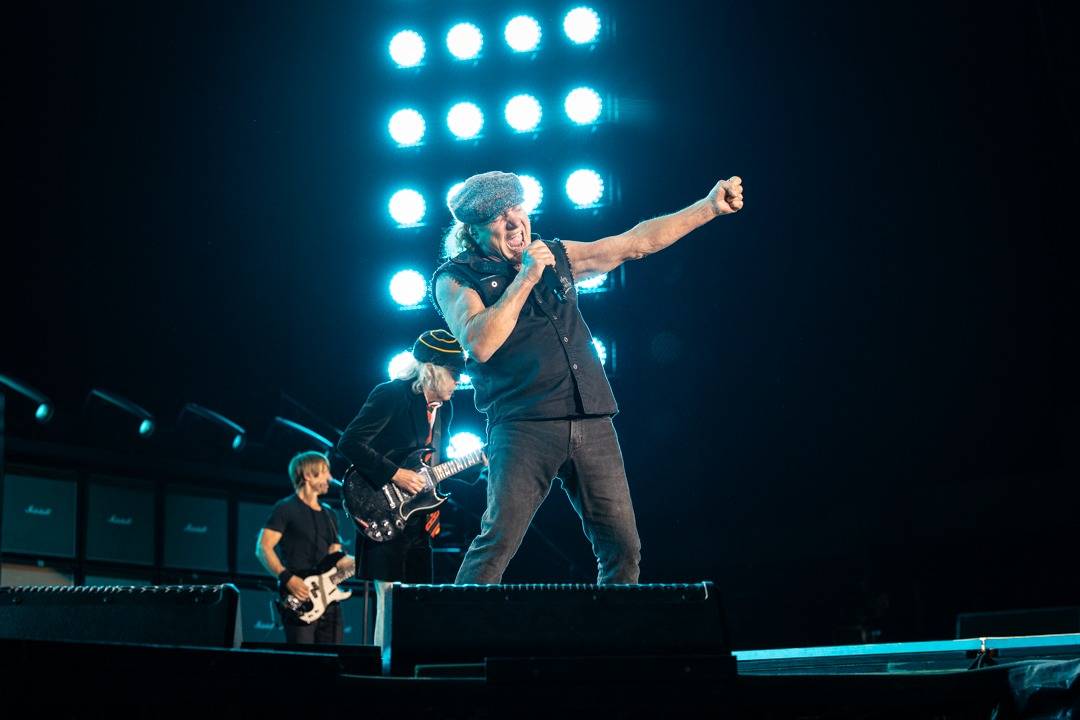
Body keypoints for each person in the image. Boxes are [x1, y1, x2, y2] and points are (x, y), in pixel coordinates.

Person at [432, 170, 744, 584]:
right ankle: (455, 627)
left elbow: (634, 243)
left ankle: (613, 627)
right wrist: (526, 277)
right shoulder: (456, 277)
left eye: (516, 209)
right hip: (523, 426)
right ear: (472, 230)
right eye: (497, 217)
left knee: (623, 548)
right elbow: (480, 343)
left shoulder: (554, 254)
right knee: (497, 544)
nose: (513, 223)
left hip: (590, 417)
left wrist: (708, 208)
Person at [336, 329, 465, 644]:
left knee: (417, 601)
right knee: (390, 600)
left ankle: (410, 665)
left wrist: (482, 463)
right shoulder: (392, 394)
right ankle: (384, 667)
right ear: (433, 370)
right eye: (454, 373)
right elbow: (349, 442)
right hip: (381, 507)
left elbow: (439, 464)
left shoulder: (444, 409)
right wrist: (395, 473)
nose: (459, 381)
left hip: (420, 517)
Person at [256, 450, 346, 645]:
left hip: (329, 600)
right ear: (307, 475)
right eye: (325, 472)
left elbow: (336, 556)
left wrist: (363, 561)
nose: (330, 478)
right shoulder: (285, 508)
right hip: (299, 595)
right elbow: (263, 548)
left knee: (333, 658)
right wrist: (287, 578)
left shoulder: (330, 514)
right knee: (302, 658)